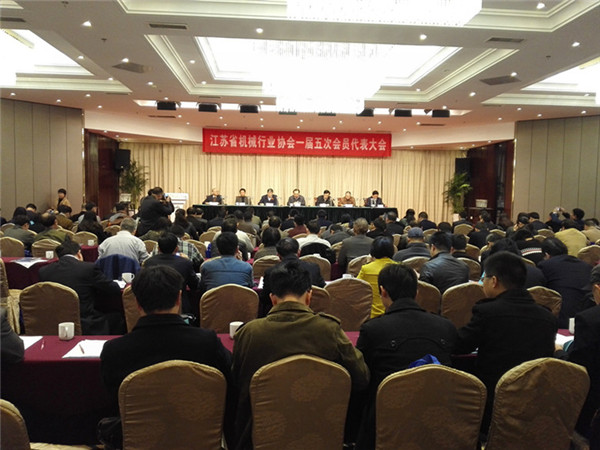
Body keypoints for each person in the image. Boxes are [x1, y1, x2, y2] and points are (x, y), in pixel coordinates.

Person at [232, 261, 370, 449]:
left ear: (273, 299)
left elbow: (237, 383)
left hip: (259, 433)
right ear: (309, 296)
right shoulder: (329, 330)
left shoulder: (250, 332)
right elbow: (361, 377)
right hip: (320, 429)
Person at [100, 265, 232, 448]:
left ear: (137, 303)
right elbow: (229, 385)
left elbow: (114, 402)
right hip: (197, 439)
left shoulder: (114, 350)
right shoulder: (207, 343)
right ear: (179, 298)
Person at [356, 264, 458, 449]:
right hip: (439, 416)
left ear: (383, 291)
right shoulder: (446, 326)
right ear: (416, 293)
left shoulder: (373, 329)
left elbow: (362, 376)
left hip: (386, 420)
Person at [454, 251, 557, 434]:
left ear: (494, 281)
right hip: (533, 402)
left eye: (484, 278)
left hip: (493, 401)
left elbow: (461, 345)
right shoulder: (547, 317)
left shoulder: (487, 312)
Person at [39, 240, 124, 335]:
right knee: (117, 317)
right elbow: (113, 288)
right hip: (85, 321)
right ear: (79, 253)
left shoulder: (44, 271)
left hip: (55, 321)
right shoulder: (88, 268)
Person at [556, 265, 600, 438]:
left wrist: (559, 352)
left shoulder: (590, 319)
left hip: (592, 410)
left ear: (597, 288)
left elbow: (578, 370)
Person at [258, 237, 325, 317]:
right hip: (310, 313)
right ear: (299, 252)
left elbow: (265, 298)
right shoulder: (313, 268)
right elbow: (321, 292)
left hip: (279, 315)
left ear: (278, 255)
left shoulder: (270, 272)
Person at [538, 237, 593, 328]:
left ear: (546, 255)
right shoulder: (586, 266)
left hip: (561, 319)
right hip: (589, 318)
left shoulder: (545, 265)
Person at [144, 233, 199, 314]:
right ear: (176, 249)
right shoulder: (185, 263)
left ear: (158, 249)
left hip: (153, 307)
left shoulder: (148, 263)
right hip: (180, 308)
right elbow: (194, 285)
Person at [357, 236, 396, 318]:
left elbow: (356, 287)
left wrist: (368, 263)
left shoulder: (366, 269)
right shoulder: (398, 268)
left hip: (373, 314)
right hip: (394, 313)